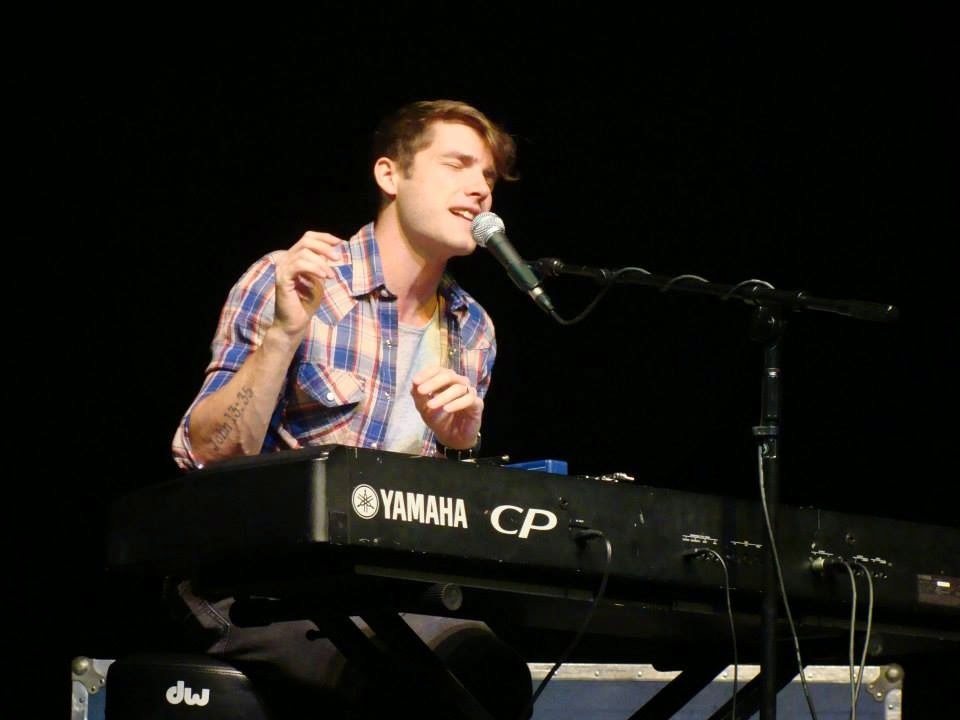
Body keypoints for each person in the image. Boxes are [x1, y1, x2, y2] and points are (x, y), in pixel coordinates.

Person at [167, 100, 532, 719]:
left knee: (490, 671)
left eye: (489, 176)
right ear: (390, 175)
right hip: (257, 588)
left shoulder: (472, 328)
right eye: (457, 165)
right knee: (402, 682)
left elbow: (438, 514)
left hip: (379, 595)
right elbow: (205, 454)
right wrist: (284, 333)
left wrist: (462, 449)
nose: (479, 188)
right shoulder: (296, 279)